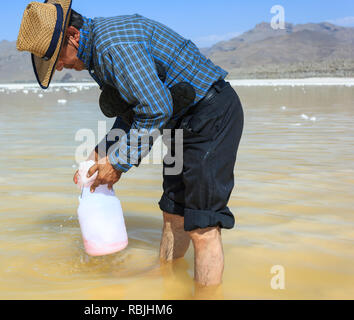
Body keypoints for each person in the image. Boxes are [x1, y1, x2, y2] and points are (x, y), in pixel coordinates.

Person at [17, 0, 244, 287]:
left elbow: (156, 108)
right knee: (173, 211)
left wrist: (118, 163)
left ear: (73, 34)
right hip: (180, 122)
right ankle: (167, 280)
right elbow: (132, 112)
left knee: (203, 225)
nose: (60, 66)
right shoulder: (98, 52)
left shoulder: (113, 46)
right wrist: (97, 155)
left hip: (210, 113)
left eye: (56, 57)